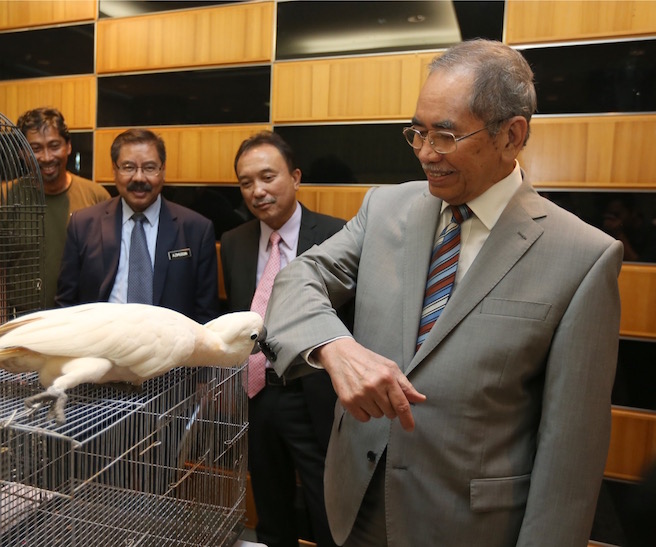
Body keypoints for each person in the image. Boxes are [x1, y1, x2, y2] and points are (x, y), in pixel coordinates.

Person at [260, 39, 624, 547]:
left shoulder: (582, 257)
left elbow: (570, 457)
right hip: (356, 505)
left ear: (512, 136)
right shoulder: (386, 208)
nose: (426, 153)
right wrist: (334, 346)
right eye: (418, 132)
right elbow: (298, 278)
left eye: (446, 136)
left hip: (468, 527)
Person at [221, 131, 343, 547]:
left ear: (295, 177)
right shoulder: (234, 242)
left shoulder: (336, 235)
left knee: (328, 508)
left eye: (268, 177)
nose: (257, 191)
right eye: (246, 182)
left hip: (313, 393)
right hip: (255, 395)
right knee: (270, 507)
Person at [56, 128, 219, 324]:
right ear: (114, 170)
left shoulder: (197, 230)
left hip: (171, 340)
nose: (139, 178)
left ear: (163, 170)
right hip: (102, 339)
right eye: (128, 167)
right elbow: (66, 305)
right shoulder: (83, 225)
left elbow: (206, 315)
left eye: (149, 168)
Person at [0, 107, 109, 322]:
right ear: (22, 152)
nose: (46, 157)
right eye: (35, 148)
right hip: (24, 323)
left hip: (83, 323)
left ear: (68, 146)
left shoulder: (97, 197)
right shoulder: (3, 199)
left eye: (54, 146)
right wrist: (2, 330)